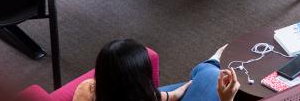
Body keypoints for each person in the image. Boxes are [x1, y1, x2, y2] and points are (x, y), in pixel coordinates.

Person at [73, 38, 240, 101]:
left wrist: (174, 94)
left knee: (201, 78)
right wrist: (227, 100)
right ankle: (209, 66)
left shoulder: (88, 90)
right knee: (209, 79)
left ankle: (208, 66)